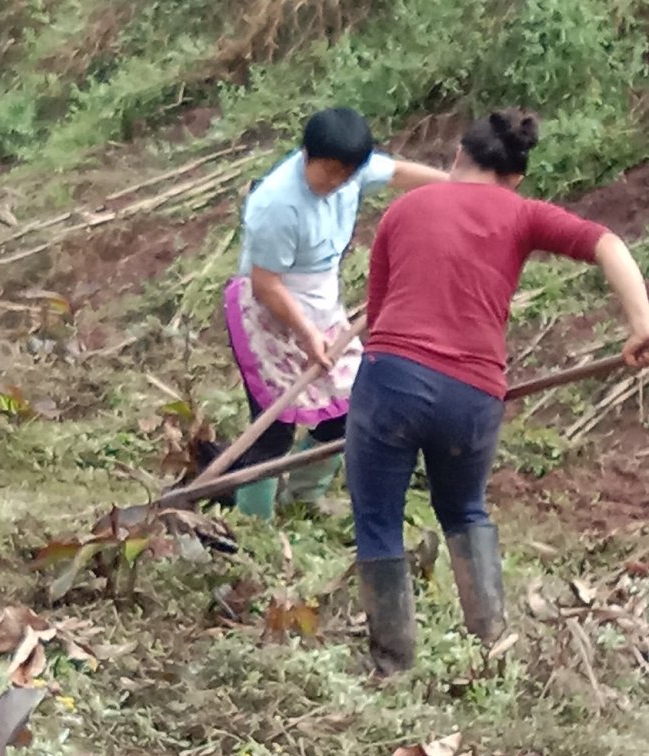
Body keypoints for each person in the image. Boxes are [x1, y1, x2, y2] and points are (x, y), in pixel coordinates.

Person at [345, 109, 649, 677]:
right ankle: (491, 648)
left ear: (458, 158)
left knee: (378, 518)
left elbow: (380, 315)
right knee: (463, 509)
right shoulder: (524, 213)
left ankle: (392, 667)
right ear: (516, 179)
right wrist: (642, 323)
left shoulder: (405, 209)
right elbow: (607, 243)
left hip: (393, 380)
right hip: (474, 395)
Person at [208, 107, 447, 520]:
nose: (337, 182)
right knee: (273, 426)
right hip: (269, 311)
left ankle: (302, 497)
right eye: (329, 172)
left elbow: (397, 174)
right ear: (307, 155)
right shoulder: (277, 204)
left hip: (321, 307)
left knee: (352, 407)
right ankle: (253, 524)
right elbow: (267, 285)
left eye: (347, 174)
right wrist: (305, 334)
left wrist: (460, 188)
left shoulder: (351, 174)